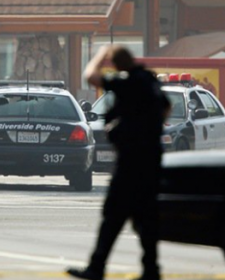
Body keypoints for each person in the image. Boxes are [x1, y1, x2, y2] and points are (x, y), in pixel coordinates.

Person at [66, 45, 171, 280]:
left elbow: (90, 76)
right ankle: (151, 270)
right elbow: (166, 107)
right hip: (151, 160)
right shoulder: (148, 80)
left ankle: (97, 267)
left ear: (117, 64)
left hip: (131, 161)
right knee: (146, 218)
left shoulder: (130, 82)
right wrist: (147, 125)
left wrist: (101, 54)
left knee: (113, 215)